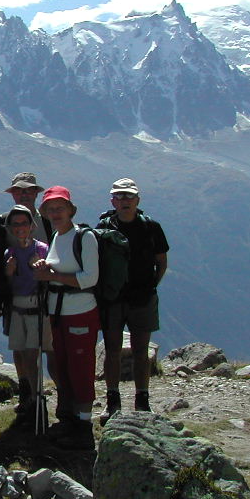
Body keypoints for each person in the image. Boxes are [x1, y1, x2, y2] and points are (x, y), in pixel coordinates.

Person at [96, 178, 170, 423]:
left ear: (137, 200)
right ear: (112, 201)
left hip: (141, 298)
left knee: (140, 352)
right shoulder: (104, 227)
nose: (124, 201)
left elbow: (161, 261)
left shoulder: (151, 228)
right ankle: (113, 401)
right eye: (120, 197)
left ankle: (142, 400)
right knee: (113, 351)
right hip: (114, 299)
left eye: (128, 197)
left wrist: (149, 287)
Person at [33, 186, 99, 450]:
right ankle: (71, 419)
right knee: (64, 366)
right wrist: (46, 267)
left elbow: (89, 278)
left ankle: (84, 426)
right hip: (59, 313)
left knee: (80, 367)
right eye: (50, 209)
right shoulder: (58, 237)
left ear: (71, 210)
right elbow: (61, 268)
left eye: (60, 208)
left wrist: (52, 277)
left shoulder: (84, 237)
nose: (55, 213)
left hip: (80, 311)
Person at [2, 205, 50, 426]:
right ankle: (29, 395)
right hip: (17, 308)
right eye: (16, 224)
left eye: (24, 223)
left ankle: (35, 397)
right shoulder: (9, 254)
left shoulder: (43, 250)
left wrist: (39, 270)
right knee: (20, 353)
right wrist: (9, 273)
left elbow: (49, 281)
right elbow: (9, 286)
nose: (20, 228)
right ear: (11, 228)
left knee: (31, 355)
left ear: (32, 226)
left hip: (35, 307)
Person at [5, 172, 52, 244]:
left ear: (36, 193)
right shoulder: (3, 222)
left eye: (29, 190)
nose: (24, 195)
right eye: (18, 191)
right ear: (13, 194)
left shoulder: (49, 222)